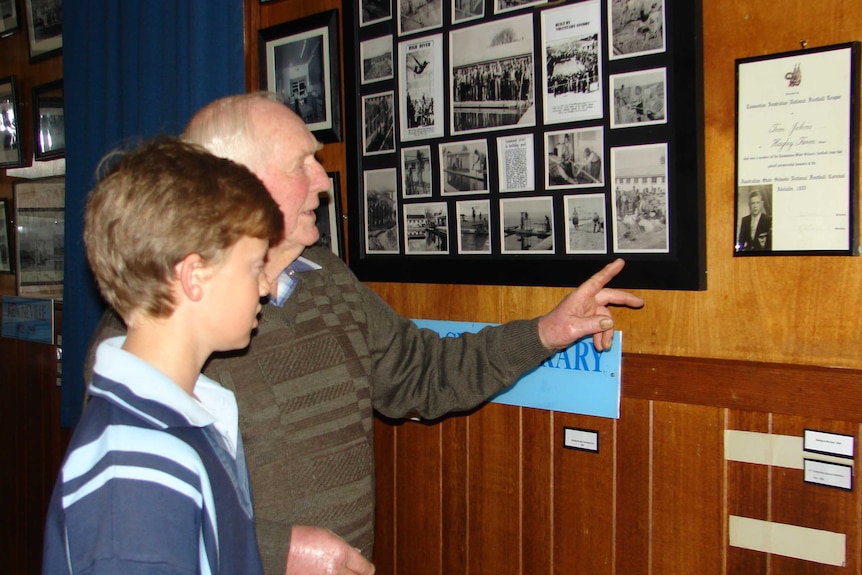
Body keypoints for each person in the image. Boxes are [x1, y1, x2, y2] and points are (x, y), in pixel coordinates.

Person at [86, 92, 644, 575]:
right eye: (300, 163)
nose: (321, 182)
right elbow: (134, 513)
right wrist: (274, 550)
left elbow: (426, 373)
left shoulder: (328, 278)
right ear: (234, 182)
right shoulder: (159, 325)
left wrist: (547, 331)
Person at [44, 138, 287, 573]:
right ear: (194, 276)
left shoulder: (183, 419)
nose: (267, 286)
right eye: (254, 267)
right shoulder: (135, 469)